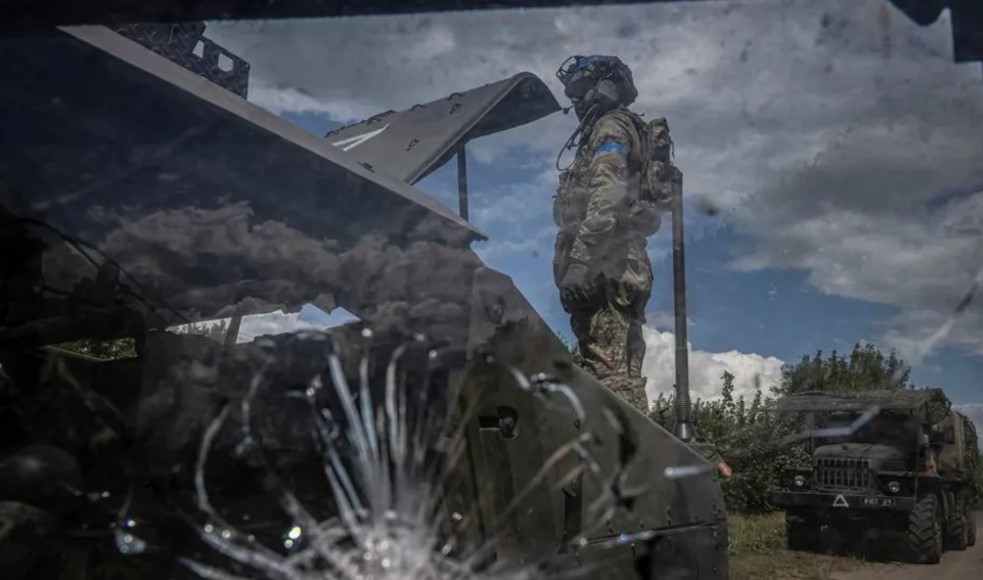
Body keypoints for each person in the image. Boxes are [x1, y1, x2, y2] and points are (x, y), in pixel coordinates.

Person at [552, 55, 669, 386]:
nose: (575, 101)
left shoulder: (609, 127)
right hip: (620, 262)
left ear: (606, 87)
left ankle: (621, 439)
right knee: (622, 375)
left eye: (581, 91)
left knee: (608, 379)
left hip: (604, 264)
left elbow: (608, 192)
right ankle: (632, 438)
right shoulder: (621, 128)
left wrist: (581, 259)